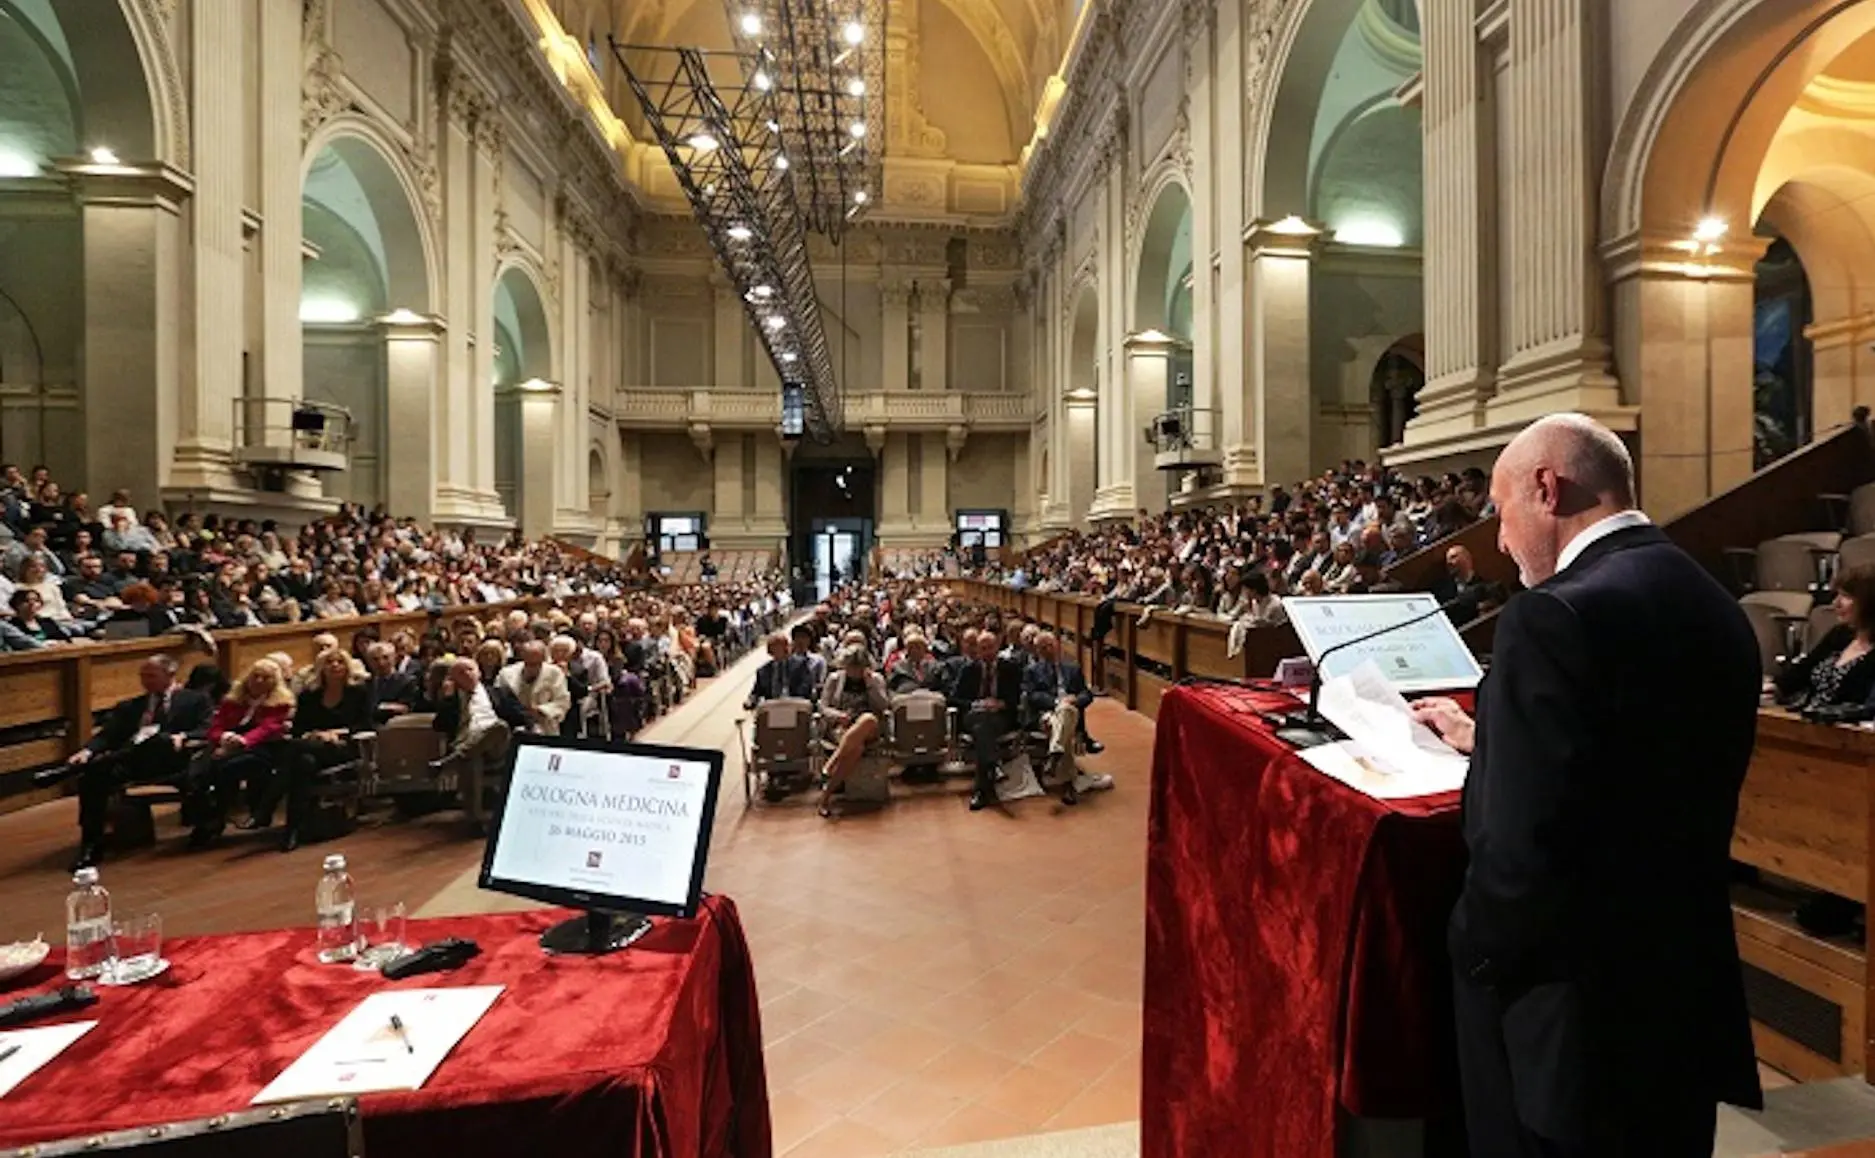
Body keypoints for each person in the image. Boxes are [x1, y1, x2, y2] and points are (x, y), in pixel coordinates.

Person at [1410, 413, 1760, 1156]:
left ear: (1547, 487)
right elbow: (1634, 758)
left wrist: (1469, 956)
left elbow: (1519, 848)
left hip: (1565, 1018)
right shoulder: (1711, 600)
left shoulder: (1552, 613)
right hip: (1675, 989)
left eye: (1501, 511)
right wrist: (1489, 738)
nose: (1499, 541)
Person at [61, 656, 212, 870]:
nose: (145, 681)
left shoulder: (195, 700)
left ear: (170, 675)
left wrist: (184, 736)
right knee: (92, 777)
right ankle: (91, 844)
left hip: (175, 760)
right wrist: (87, 751)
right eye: (143, 676)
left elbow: (207, 728)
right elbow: (107, 735)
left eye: (151, 676)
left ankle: (204, 826)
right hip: (135, 761)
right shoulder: (131, 706)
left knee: (160, 740)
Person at [270, 647, 372, 852]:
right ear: (321, 668)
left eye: (339, 662)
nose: (334, 666)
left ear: (347, 666)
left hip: (343, 747)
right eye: (329, 662)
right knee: (303, 763)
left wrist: (336, 733)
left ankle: (270, 806)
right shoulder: (310, 696)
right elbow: (299, 728)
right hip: (313, 748)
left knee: (294, 751)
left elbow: (366, 725)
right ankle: (293, 830)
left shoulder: (359, 692)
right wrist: (316, 735)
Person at [188, 657, 296, 847]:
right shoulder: (232, 701)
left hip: (263, 748)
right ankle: (208, 817)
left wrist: (240, 742)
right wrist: (224, 738)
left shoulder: (281, 704)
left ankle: (217, 816)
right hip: (225, 744)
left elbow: (267, 729)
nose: (259, 681)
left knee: (226, 767)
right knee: (200, 768)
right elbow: (215, 727)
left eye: (266, 677)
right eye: (256, 676)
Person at [1021, 632, 1111, 804]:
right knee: (1065, 722)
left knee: (1067, 715)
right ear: (1038, 651)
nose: (1048, 649)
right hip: (1046, 715)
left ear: (1057, 644)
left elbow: (1087, 694)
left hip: (1070, 713)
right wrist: (1057, 702)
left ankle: (1056, 753)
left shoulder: (1072, 668)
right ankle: (1067, 785)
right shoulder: (1032, 671)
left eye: (1050, 645)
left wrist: (1075, 699)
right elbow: (1032, 697)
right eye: (1043, 647)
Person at [1774, 565, 1875, 712]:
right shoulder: (1840, 635)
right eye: (1837, 595)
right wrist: (1775, 687)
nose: (1836, 603)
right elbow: (1802, 671)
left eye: (1846, 596)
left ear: (1869, 602)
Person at [429, 657, 511, 832]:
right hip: (467, 744)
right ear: (453, 678)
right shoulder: (452, 698)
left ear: (479, 672)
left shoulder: (498, 692)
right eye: (460, 672)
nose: (467, 674)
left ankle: (453, 759)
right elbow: (439, 725)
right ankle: (474, 819)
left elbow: (521, 716)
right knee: (471, 759)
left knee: (499, 727)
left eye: (470, 669)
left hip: (497, 746)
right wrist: (448, 699)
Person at [947, 629, 1024, 812]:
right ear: (978, 650)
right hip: (973, 716)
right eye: (983, 648)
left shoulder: (1010, 668)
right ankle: (993, 765)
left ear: (997, 647)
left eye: (990, 647)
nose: (987, 652)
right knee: (981, 720)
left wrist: (1001, 704)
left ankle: (981, 789)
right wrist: (976, 703)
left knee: (984, 728)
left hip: (1000, 717)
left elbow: (1018, 698)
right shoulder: (969, 669)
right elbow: (954, 698)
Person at [817, 645, 889, 818]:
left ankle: (830, 765)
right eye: (851, 667)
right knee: (856, 749)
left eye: (859, 668)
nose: (855, 672)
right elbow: (823, 706)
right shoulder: (834, 679)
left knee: (868, 719)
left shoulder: (875, 679)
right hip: (842, 727)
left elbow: (884, 705)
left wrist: (871, 685)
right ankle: (825, 798)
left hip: (870, 728)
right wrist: (838, 715)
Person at [497, 639, 571, 735]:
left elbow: (562, 702)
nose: (532, 668)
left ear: (543, 659)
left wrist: (540, 711)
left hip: (546, 728)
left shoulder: (555, 673)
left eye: (536, 664)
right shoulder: (506, 674)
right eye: (528, 663)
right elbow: (498, 700)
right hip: (514, 729)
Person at [746, 632, 812, 708]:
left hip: (795, 705)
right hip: (772, 707)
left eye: (778, 646)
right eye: (772, 647)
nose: (775, 649)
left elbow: (806, 686)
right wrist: (750, 701)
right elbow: (756, 692)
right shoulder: (763, 671)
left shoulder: (801, 664)